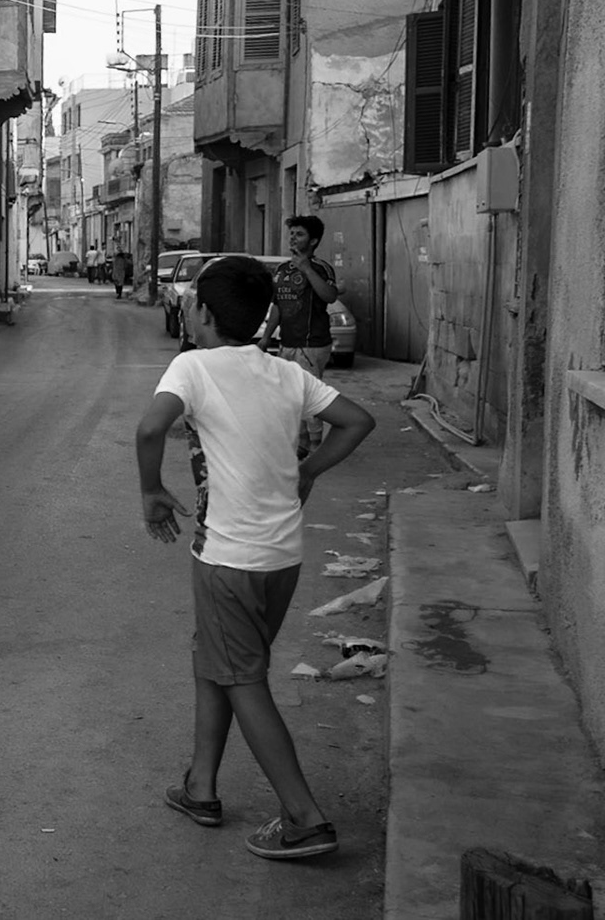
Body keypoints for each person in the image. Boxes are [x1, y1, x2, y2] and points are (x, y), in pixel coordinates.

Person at [135, 255, 376, 861]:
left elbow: (149, 429)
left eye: (192, 301)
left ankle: (304, 817)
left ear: (207, 315)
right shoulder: (288, 373)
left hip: (228, 559)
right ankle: (201, 786)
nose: (187, 308)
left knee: (243, 678)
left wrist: (151, 493)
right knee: (215, 660)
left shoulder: (192, 365)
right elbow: (356, 421)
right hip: (281, 558)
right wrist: (306, 472)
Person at [259, 215, 342, 458]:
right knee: (291, 397)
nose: (293, 238)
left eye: (300, 234)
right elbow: (278, 306)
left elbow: (330, 296)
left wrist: (305, 268)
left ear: (314, 241)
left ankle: (317, 447)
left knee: (308, 396)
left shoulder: (321, 268)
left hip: (312, 344)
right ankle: (303, 443)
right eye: (292, 234)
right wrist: (266, 337)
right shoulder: (283, 270)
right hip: (287, 342)